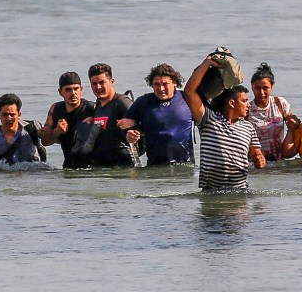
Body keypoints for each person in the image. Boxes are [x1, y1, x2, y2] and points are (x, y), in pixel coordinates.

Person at [183, 54, 266, 190]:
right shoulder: (208, 120)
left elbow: (256, 153)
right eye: (244, 101)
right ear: (232, 103)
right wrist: (207, 63)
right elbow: (189, 92)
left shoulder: (248, 127)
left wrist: (259, 160)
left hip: (240, 191)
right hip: (211, 192)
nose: (249, 105)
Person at [119, 63, 195, 165]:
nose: (161, 88)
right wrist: (128, 133)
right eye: (156, 84)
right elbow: (122, 125)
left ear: (175, 83)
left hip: (186, 165)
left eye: (165, 84)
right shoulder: (144, 102)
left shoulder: (187, 99)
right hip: (155, 167)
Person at [73, 63, 139, 168]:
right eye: (94, 84)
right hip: (101, 168)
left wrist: (132, 135)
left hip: (124, 168)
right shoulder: (98, 104)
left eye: (102, 82)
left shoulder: (123, 103)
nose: (98, 87)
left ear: (112, 82)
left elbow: (138, 129)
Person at [39, 72, 96, 169]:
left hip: (92, 167)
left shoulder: (92, 109)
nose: (73, 93)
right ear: (60, 92)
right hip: (68, 167)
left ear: (81, 90)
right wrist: (57, 132)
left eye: (76, 89)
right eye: (68, 90)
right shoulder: (56, 109)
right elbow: (46, 142)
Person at [246, 62, 293, 162]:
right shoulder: (246, 109)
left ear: (272, 86)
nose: (261, 92)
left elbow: (292, 127)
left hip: (279, 161)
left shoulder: (280, 103)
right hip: (255, 163)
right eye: (257, 88)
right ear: (252, 87)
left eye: (265, 88)